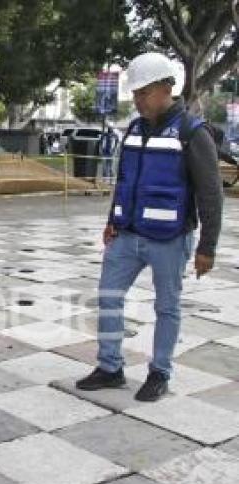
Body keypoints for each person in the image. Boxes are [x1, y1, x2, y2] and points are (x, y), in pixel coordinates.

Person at [76, 52, 223, 402]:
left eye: (143, 93)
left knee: (167, 307)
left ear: (165, 88)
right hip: (127, 235)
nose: (138, 100)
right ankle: (110, 368)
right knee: (109, 297)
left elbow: (210, 194)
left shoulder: (192, 132)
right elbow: (125, 180)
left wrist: (208, 247)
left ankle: (160, 373)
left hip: (171, 239)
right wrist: (113, 221)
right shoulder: (136, 128)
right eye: (136, 94)